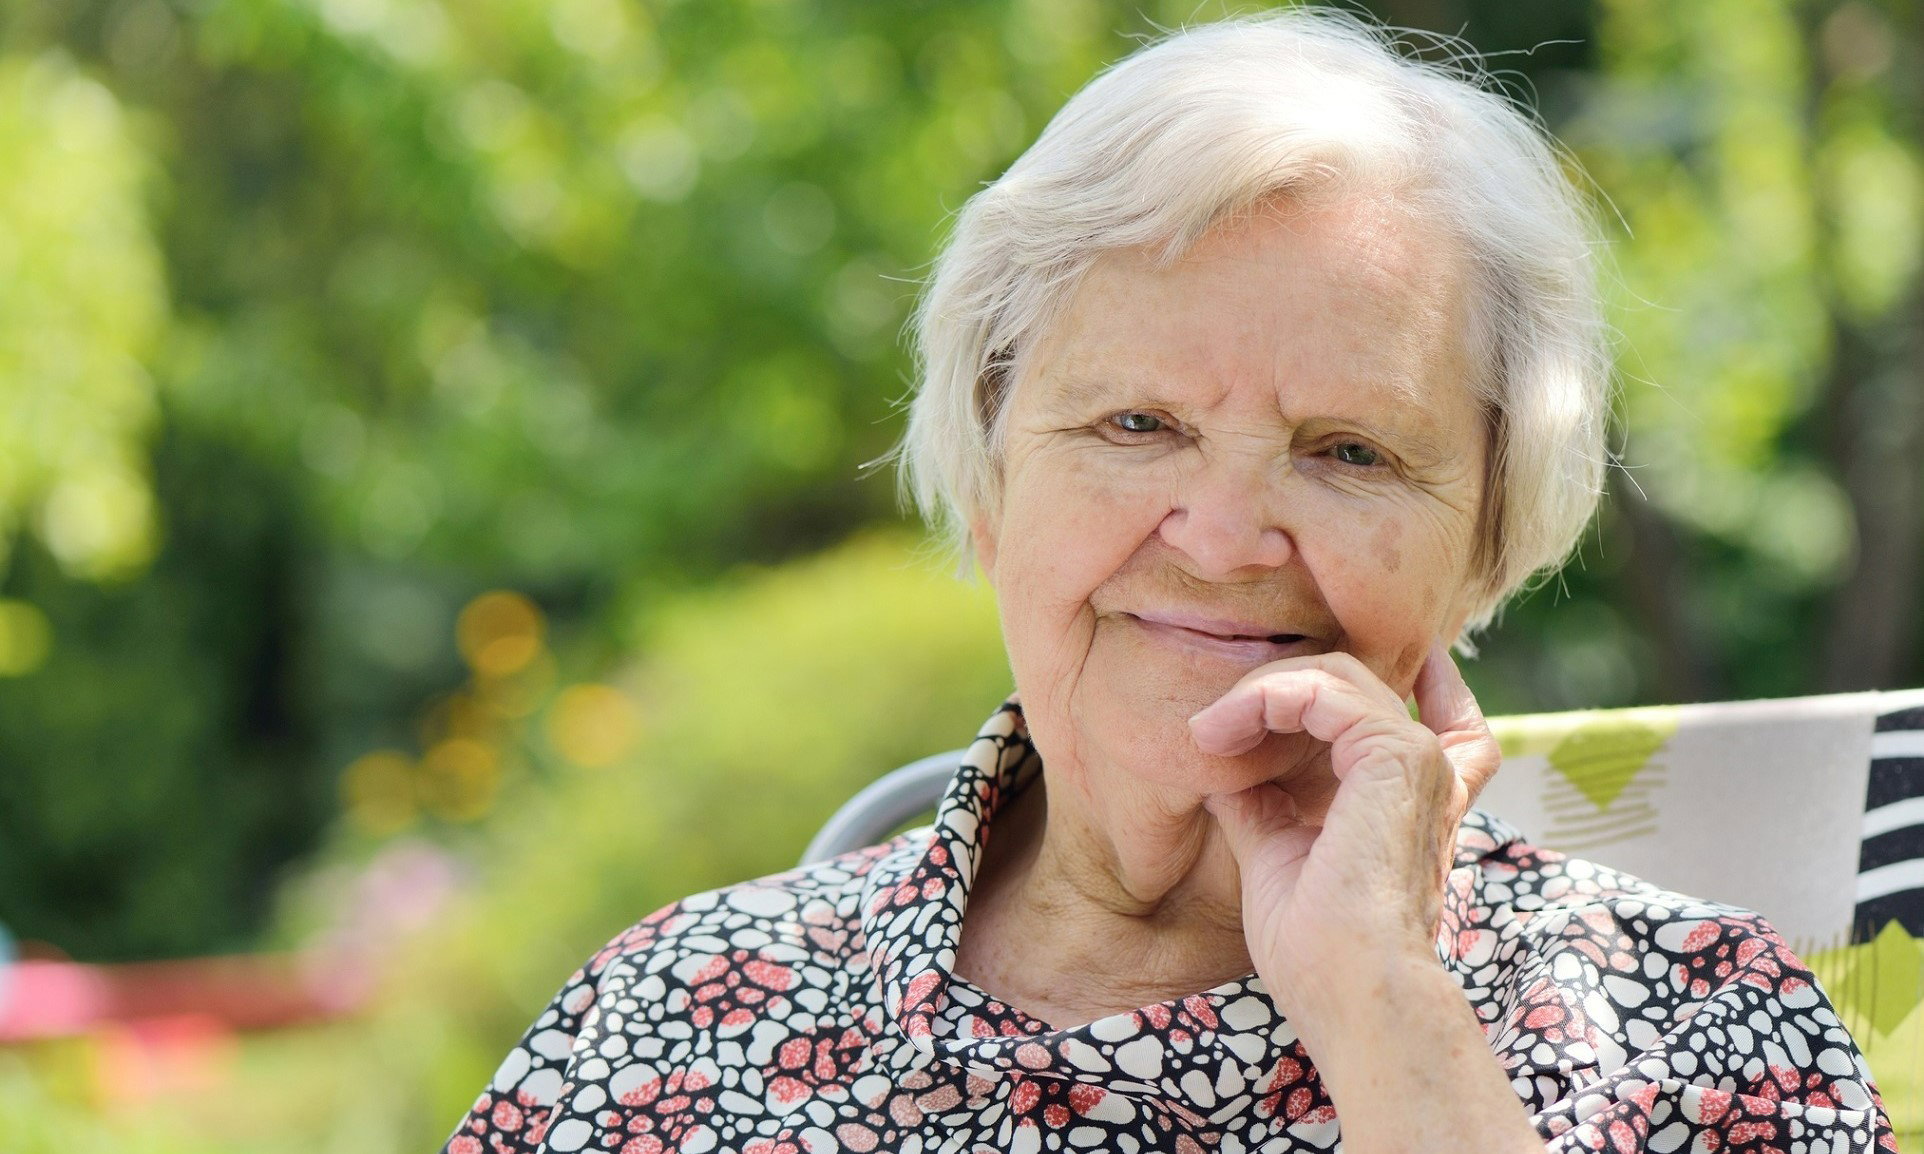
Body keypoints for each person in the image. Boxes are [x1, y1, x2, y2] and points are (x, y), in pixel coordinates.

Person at [442, 10, 1896, 1153]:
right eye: (1138, 425)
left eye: (1348, 450)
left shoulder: (1702, 1034)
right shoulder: (680, 1015)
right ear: (995, 472)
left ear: (1489, 535)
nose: (1221, 534)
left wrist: (1385, 1011)